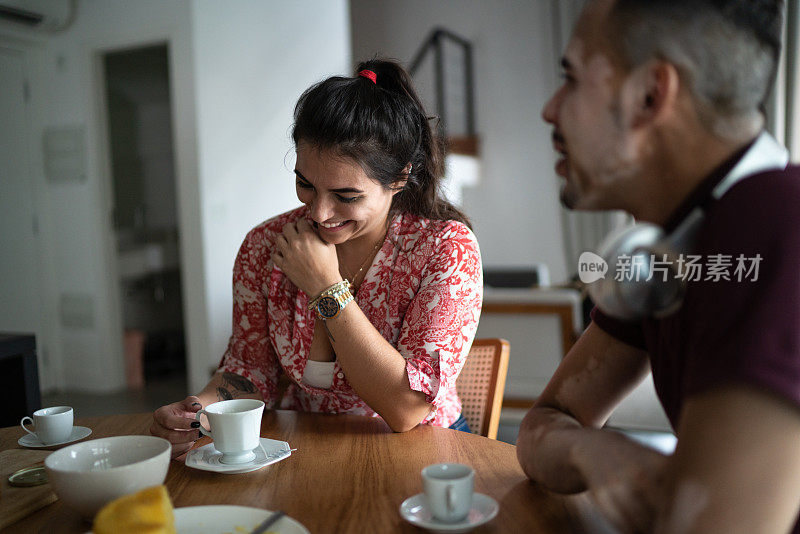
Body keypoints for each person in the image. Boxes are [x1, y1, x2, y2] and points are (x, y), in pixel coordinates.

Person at [516, 1, 800, 532]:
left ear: (650, 95)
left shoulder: (773, 222)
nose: (550, 110)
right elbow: (541, 427)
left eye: (571, 79)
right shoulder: (666, 250)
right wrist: (595, 451)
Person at [151, 59, 482, 458]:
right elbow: (250, 370)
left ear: (399, 177)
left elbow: (406, 408)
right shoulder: (266, 244)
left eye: (346, 196)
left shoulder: (445, 249)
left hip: (418, 449)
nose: (320, 213)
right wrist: (196, 413)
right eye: (305, 184)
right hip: (305, 445)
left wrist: (326, 286)